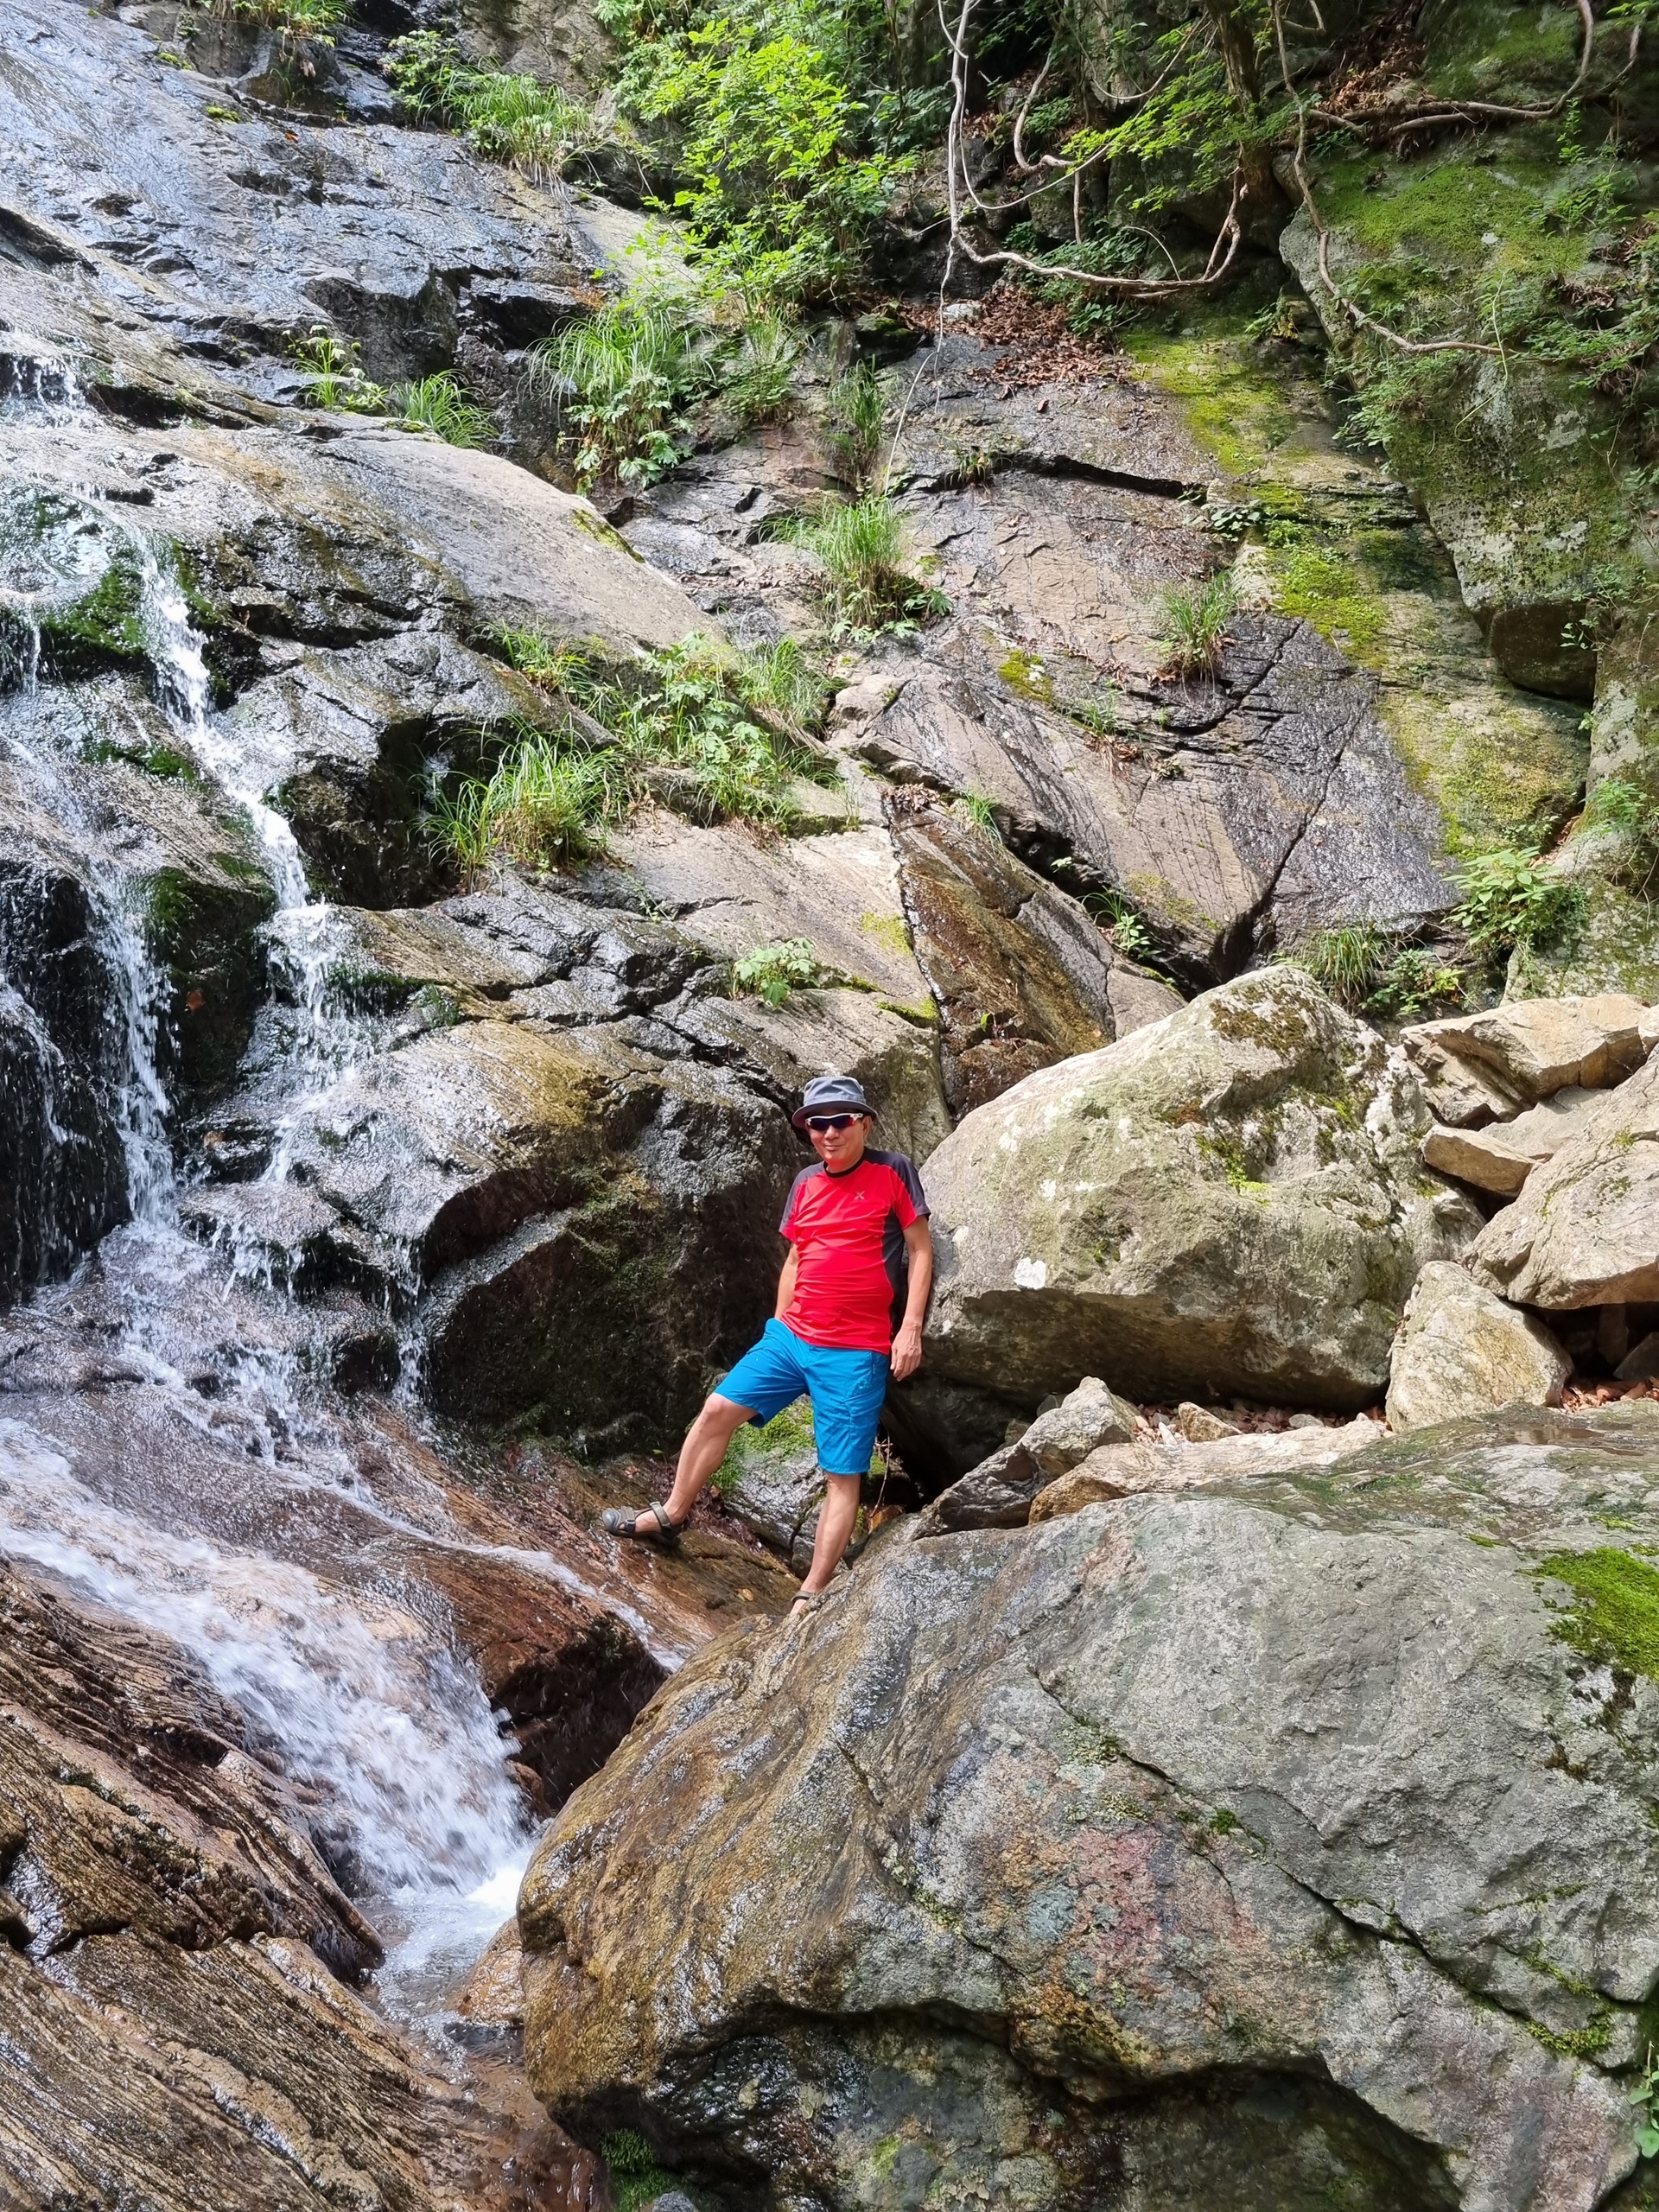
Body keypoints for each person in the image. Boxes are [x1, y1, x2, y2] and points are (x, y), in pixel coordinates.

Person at [601, 1074, 932, 1616]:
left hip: (855, 1350)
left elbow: (919, 1250)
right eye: (817, 1124)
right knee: (716, 1410)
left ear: (864, 1124)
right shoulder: (805, 1182)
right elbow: (796, 1258)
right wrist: (777, 1327)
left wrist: (910, 1327)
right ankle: (671, 1515)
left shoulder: (893, 1171)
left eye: (840, 1121)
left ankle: (811, 1591)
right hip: (791, 1336)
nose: (828, 1133)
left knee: (841, 1474)